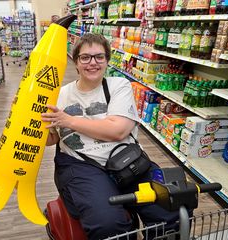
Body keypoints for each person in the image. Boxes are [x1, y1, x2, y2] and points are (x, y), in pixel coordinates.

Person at [41, 33, 180, 240]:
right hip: (80, 164)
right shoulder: (59, 94)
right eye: (85, 57)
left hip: (127, 160)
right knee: (108, 225)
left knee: (170, 211)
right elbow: (52, 139)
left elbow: (118, 131)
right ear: (76, 60)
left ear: (107, 59)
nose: (93, 63)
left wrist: (68, 121)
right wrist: (30, 119)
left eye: (99, 57)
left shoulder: (119, 85)